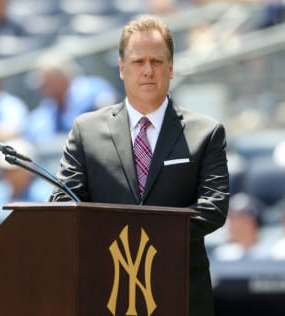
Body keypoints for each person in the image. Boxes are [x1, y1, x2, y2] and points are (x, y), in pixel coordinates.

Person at [49, 16, 229, 316]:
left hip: (180, 293)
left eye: (157, 61)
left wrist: (141, 234)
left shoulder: (206, 133)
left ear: (171, 68)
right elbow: (63, 202)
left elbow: (214, 208)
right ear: (121, 68)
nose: (148, 70)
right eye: (138, 61)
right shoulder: (86, 130)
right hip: (104, 292)